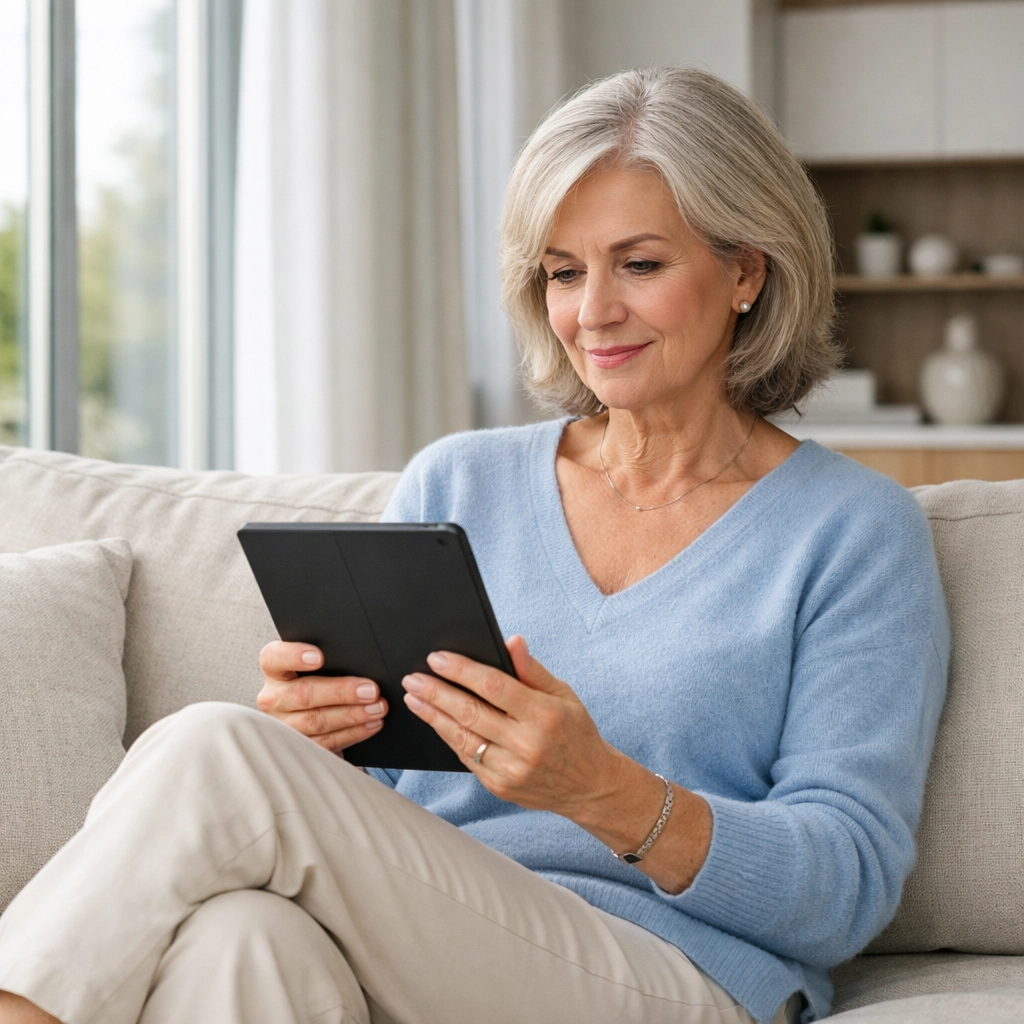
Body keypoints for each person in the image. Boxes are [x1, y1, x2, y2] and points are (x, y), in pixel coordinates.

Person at [0, 66, 948, 1024]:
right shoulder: (460, 482)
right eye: (565, 272)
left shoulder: (853, 530)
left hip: (673, 975)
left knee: (213, 749)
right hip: (428, 946)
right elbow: (375, 812)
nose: (591, 313)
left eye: (641, 264)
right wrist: (317, 745)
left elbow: (846, 891)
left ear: (747, 270)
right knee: (237, 939)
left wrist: (605, 792)